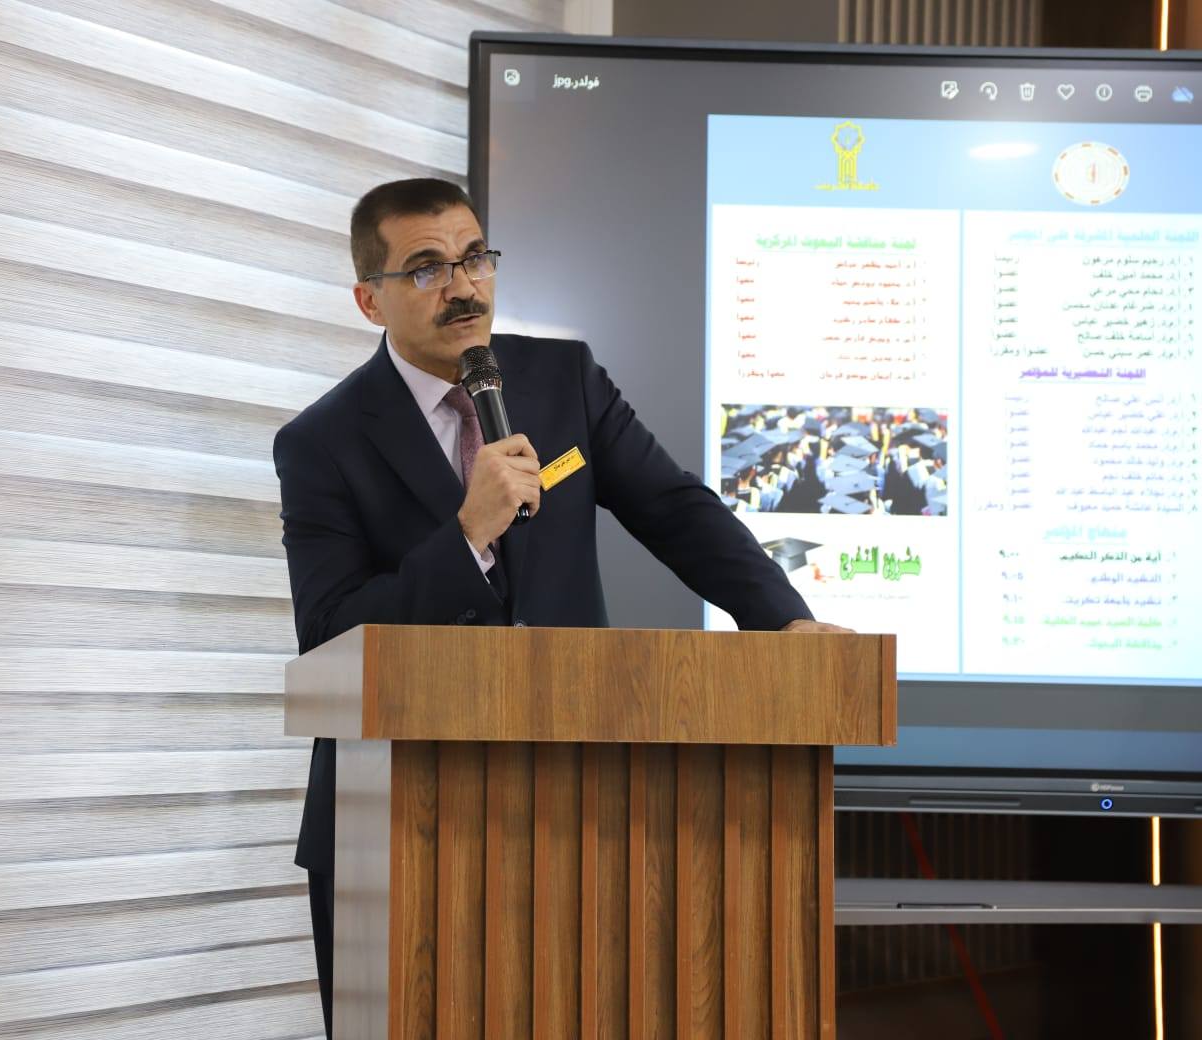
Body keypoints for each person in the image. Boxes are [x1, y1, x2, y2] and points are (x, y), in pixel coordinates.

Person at [272, 178, 848, 1038]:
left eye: (474, 258)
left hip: (580, 802)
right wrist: (466, 534)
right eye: (427, 268)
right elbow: (327, 635)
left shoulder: (562, 380)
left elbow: (674, 508)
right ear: (370, 300)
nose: (463, 287)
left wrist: (783, 619)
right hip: (392, 820)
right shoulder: (321, 442)